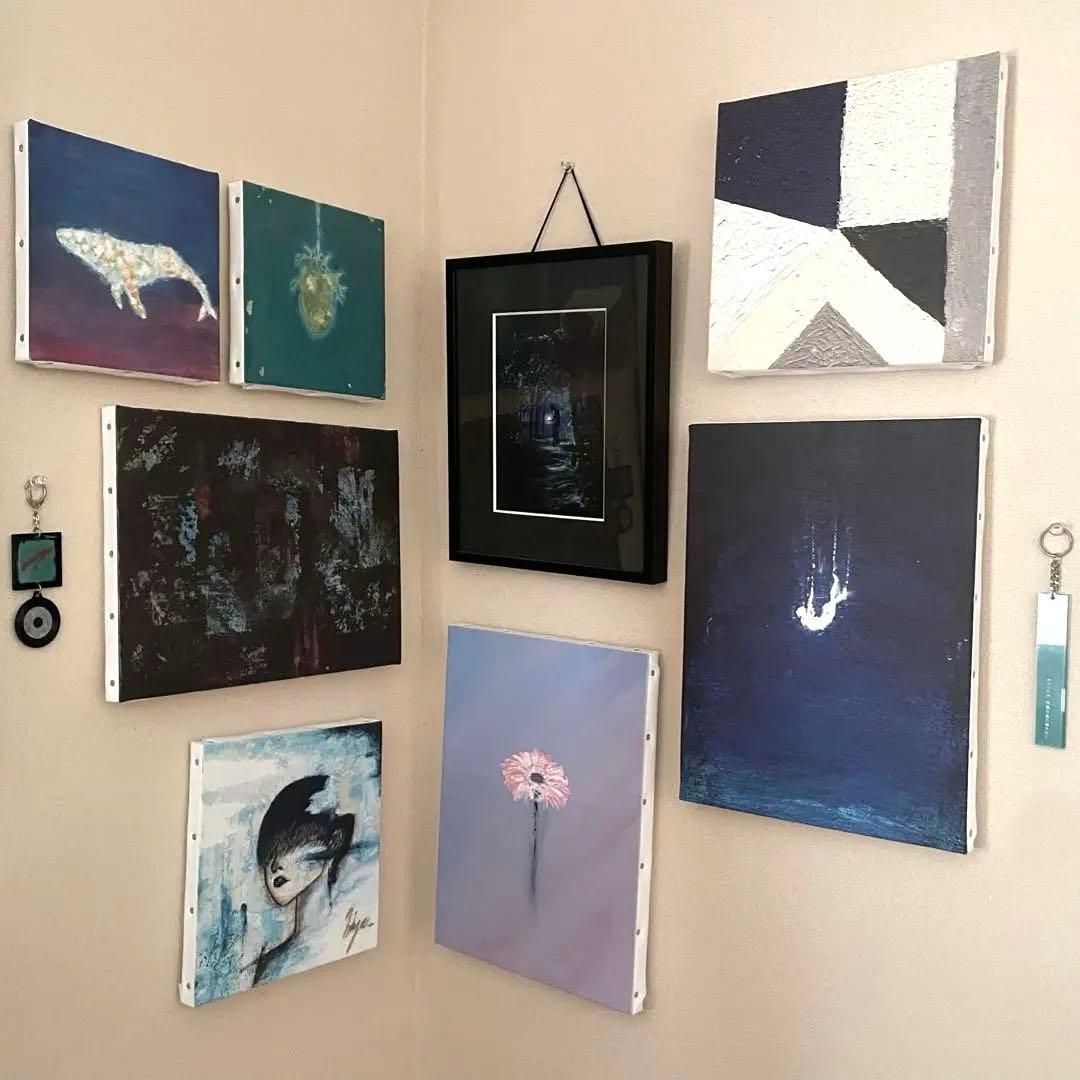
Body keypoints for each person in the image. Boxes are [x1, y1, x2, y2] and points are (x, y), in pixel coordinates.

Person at [252, 775, 355, 986]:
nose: (273, 866)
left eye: (295, 837)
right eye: (269, 848)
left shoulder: (348, 940)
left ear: (335, 840)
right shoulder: (273, 967)